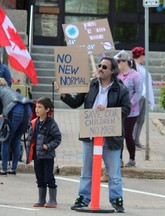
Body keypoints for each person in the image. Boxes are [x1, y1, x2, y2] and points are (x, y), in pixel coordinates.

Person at [56, 57, 131, 212]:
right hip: (90, 134)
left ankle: (117, 201)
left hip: (111, 137)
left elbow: (127, 109)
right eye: (99, 65)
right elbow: (77, 102)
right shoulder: (91, 85)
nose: (101, 68)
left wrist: (108, 112)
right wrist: (63, 94)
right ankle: (83, 198)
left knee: (114, 173)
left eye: (105, 66)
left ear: (112, 71)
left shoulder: (120, 89)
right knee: (86, 170)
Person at [25, 97, 61, 208]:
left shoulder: (51, 123)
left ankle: (52, 200)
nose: (36, 109)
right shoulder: (35, 122)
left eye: (40, 107)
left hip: (47, 156)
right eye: (36, 107)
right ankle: (41, 199)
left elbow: (57, 138)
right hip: (37, 156)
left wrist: (48, 146)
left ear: (47, 109)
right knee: (39, 177)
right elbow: (31, 138)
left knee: (48, 177)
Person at [114, 50, 142, 167]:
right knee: (118, 134)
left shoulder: (135, 75)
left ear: (125, 62)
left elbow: (139, 92)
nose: (118, 63)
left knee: (128, 134)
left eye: (119, 61)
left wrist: (129, 103)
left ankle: (132, 159)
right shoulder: (117, 75)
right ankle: (118, 159)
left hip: (131, 112)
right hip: (118, 111)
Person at [0, 78, 32, 175]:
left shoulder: (1, 90)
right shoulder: (9, 90)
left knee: (5, 140)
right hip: (28, 108)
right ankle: (13, 168)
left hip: (15, 110)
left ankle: (3, 169)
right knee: (17, 140)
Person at [131, 46, 155, 149]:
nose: (144, 57)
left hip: (144, 95)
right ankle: (131, 141)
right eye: (143, 55)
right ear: (140, 56)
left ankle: (136, 140)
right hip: (138, 95)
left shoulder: (140, 67)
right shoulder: (133, 66)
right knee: (135, 119)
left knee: (141, 119)